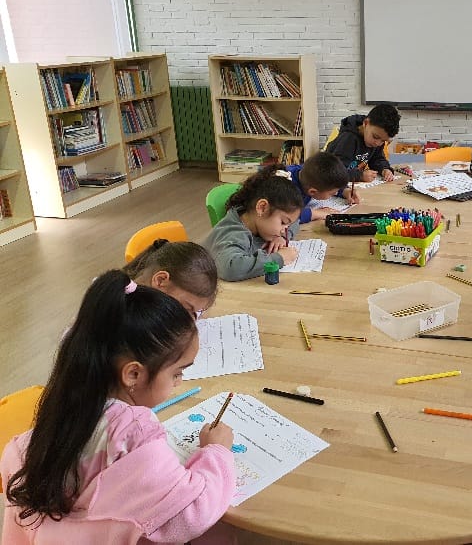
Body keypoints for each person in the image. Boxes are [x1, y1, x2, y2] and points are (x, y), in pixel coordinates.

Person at [1, 270, 236, 544]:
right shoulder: (134, 432)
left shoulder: (63, 406)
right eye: (177, 373)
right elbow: (191, 513)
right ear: (133, 374)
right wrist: (216, 452)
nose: (179, 381)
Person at [202, 168, 304, 282]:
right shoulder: (234, 234)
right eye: (283, 223)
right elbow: (230, 268)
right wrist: (279, 259)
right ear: (262, 208)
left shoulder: (257, 221)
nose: (284, 229)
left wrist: (282, 237)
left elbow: (295, 221)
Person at [122, 240, 218, 320]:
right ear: (160, 280)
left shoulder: (149, 302)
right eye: (187, 308)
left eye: (195, 312)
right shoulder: (130, 320)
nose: (190, 320)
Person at [327, 103, 400, 183]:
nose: (377, 143)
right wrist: (360, 176)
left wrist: (384, 169)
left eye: (383, 141)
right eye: (375, 137)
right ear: (365, 123)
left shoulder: (376, 138)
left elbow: (377, 159)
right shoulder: (348, 139)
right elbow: (335, 172)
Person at [286, 151, 360, 224]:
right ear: (312, 192)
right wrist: (316, 213)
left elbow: (330, 182)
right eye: (332, 193)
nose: (336, 193)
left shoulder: (309, 172)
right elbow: (286, 214)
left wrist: (345, 191)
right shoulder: (287, 188)